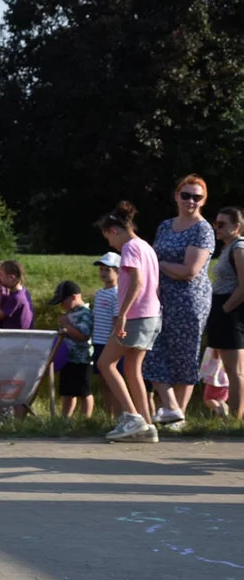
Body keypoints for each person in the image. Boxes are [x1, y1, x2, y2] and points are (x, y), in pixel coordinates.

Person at [143, 175, 215, 429]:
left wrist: (159, 264)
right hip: (160, 298)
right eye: (186, 195)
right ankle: (172, 406)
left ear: (204, 200)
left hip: (189, 301)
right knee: (153, 350)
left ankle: (178, 417)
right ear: (176, 196)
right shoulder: (165, 226)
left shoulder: (203, 229)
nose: (191, 201)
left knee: (185, 355)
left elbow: (189, 270)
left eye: (197, 197)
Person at [96, 200, 162, 442]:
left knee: (105, 363)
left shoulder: (130, 248)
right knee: (133, 369)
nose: (110, 244)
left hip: (136, 315)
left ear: (114, 231)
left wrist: (121, 314)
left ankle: (132, 418)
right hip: (152, 315)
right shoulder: (146, 246)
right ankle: (146, 424)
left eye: (108, 239)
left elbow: (137, 282)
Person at [206, 206, 244, 418]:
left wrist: (225, 309)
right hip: (224, 309)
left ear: (236, 226)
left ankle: (237, 420)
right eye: (215, 223)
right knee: (230, 370)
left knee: (235, 371)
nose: (217, 228)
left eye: (222, 224)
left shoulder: (239, 247)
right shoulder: (229, 247)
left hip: (232, 312)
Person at [50, 280, 94, 418]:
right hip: (67, 359)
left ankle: (85, 419)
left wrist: (65, 325)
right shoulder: (70, 313)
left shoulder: (85, 314)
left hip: (82, 359)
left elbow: (83, 335)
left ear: (74, 297)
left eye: (63, 301)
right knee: (68, 392)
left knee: (83, 391)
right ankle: (65, 418)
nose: (62, 305)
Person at [91, 252, 123, 417]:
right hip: (98, 341)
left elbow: (117, 320)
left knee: (113, 381)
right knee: (104, 381)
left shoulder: (118, 294)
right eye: (102, 269)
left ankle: (119, 415)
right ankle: (108, 415)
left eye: (108, 270)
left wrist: (114, 339)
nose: (103, 273)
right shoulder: (99, 293)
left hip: (110, 343)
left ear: (118, 272)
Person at [199, 347, 230, 418]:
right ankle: (221, 413)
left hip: (214, 379)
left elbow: (216, 356)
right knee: (220, 400)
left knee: (208, 399)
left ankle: (219, 409)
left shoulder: (216, 344)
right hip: (226, 380)